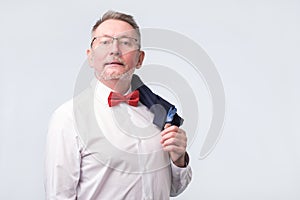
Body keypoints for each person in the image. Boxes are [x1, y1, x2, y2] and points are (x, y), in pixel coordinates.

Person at [44, 10, 192, 200]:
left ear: (139, 59)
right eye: (105, 42)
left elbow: (174, 189)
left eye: (126, 42)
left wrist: (179, 160)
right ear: (90, 56)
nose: (115, 49)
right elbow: (58, 196)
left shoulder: (160, 113)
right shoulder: (68, 118)